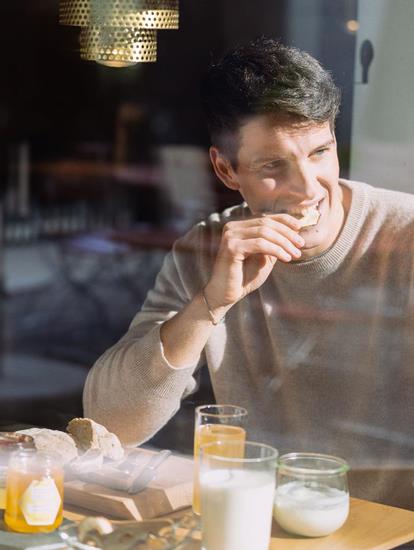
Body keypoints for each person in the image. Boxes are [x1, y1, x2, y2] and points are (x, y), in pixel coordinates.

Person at [84, 38, 414, 469]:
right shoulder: (206, 252)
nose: (309, 187)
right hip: (251, 514)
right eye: (273, 166)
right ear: (226, 169)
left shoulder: (404, 237)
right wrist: (209, 305)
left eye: (320, 152)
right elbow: (109, 422)